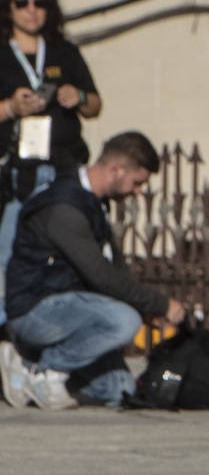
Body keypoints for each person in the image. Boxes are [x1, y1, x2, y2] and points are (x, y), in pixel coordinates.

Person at [0, 131, 184, 409]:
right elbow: (101, 276)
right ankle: (42, 371)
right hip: (36, 310)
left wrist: (141, 302)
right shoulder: (64, 206)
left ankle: (37, 363)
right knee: (124, 321)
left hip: (70, 310)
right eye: (137, 183)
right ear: (116, 170)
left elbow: (115, 266)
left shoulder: (93, 201)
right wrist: (160, 304)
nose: (138, 192)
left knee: (121, 390)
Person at [0, 0, 101, 330]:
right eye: (22, 2)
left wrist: (79, 96)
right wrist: (11, 107)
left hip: (62, 170)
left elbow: (96, 105)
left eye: (39, 3)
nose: (31, 10)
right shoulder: (1, 53)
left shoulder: (64, 52)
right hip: (16, 174)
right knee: (8, 256)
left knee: (62, 254)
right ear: (8, 7)